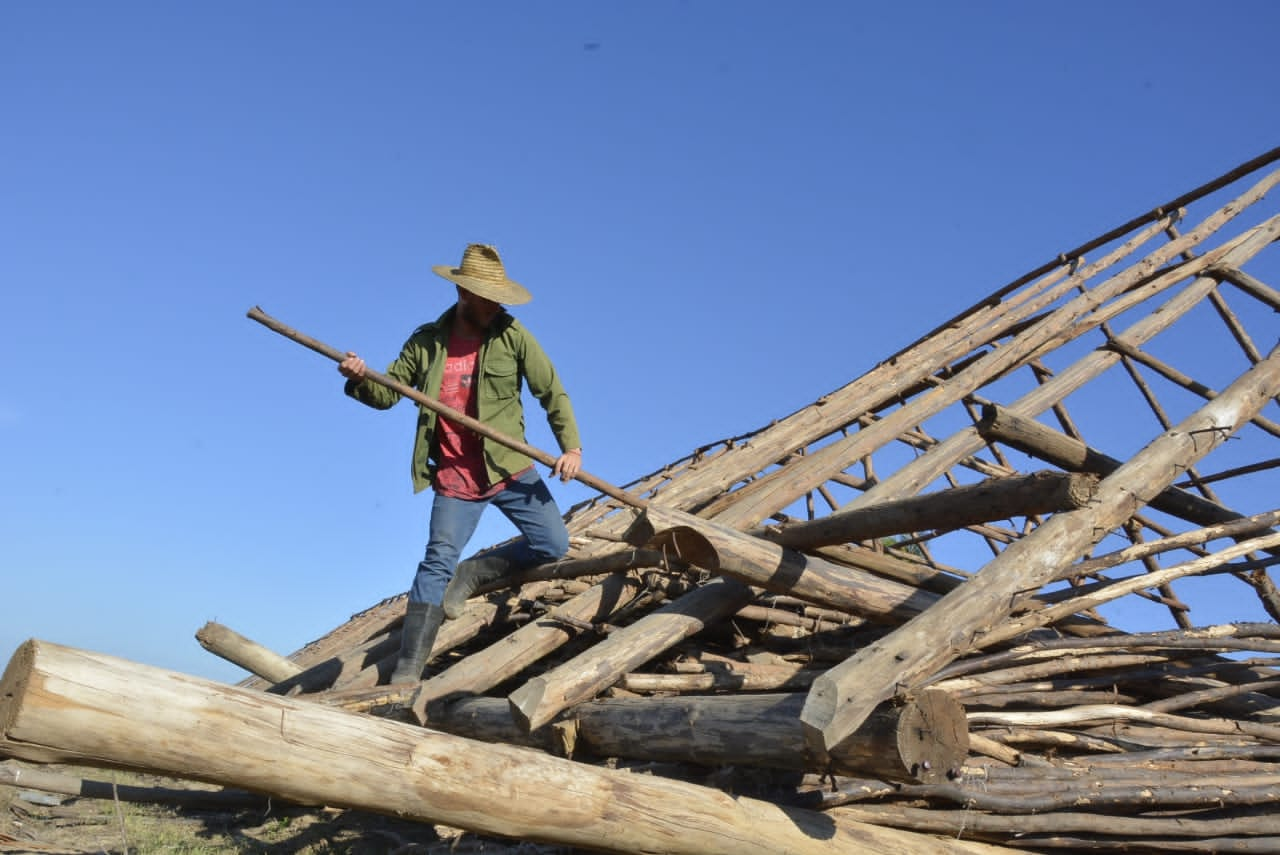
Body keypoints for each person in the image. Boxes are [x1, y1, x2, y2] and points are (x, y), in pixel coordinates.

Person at [338, 243, 583, 684]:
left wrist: (572, 448)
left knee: (553, 543)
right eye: (486, 296)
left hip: (508, 464)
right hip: (455, 474)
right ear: (463, 293)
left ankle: (473, 573)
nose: (495, 305)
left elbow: (553, 392)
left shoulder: (513, 336)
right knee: (436, 561)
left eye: (498, 297)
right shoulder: (427, 342)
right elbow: (388, 393)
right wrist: (360, 378)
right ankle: (408, 671)